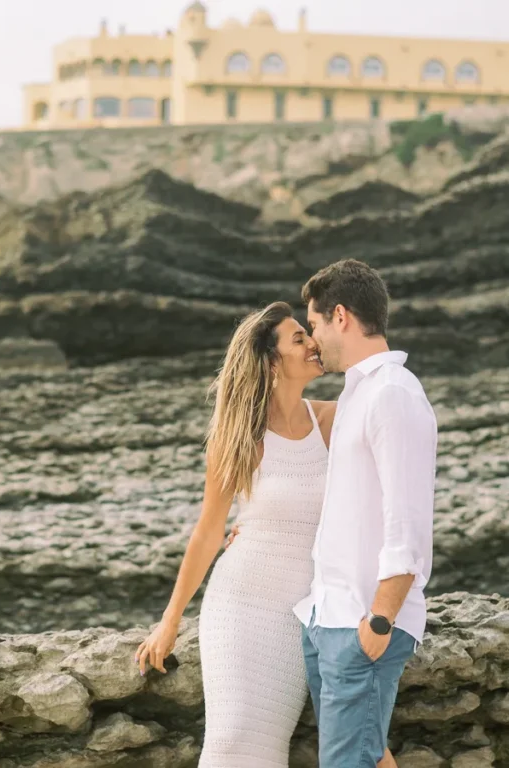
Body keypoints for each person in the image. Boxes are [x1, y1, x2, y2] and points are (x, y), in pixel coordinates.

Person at [135, 300, 333, 767]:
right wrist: (170, 620)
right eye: (299, 338)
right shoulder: (239, 437)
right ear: (271, 362)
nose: (312, 343)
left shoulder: (333, 420)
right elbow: (208, 533)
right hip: (242, 601)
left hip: (301, 610)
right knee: (232, 739)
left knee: (268, 746)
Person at [294, 259, 437, 767]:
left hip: (362, 620)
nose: (313, 341)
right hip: (327, 616)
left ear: (340, 316)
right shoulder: (358, 392)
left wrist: (379, 620)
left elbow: (407, 519)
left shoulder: (393, 393)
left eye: (313, 325)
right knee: (368, 759)